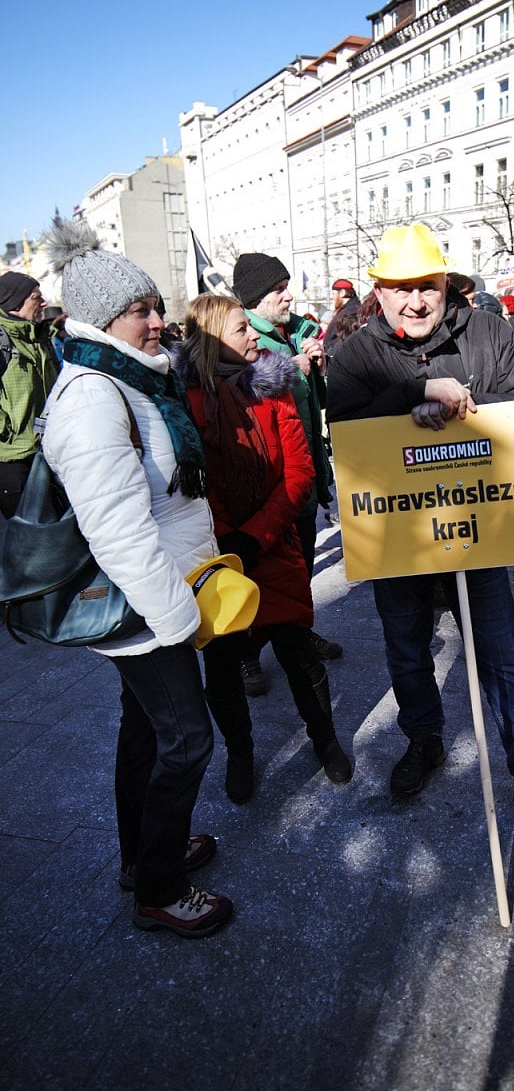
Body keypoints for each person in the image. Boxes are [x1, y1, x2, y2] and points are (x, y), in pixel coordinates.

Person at [327, 222, 514, 846]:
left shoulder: (488, 331)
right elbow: (343, 425)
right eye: (399, 289)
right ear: (379, 292)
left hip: (480, 526)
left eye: (427, 287)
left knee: (501, 656)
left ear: (446, 283)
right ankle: (424, 737)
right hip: (399, 532)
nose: (415, 301)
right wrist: (409, 395)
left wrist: (462, 404)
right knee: (407, 647)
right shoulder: (358, 353)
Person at [40, 221, 232, 939]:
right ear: (100, 320)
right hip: (147, 606)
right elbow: (116, 530)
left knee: (145, 732)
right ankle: (158, 888)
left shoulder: (124, 377)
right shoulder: (93, 397)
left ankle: (140, 854)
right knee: (189, 742)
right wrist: (176, 618)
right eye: (140, 311)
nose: (158, 322)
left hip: (154, 599)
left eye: (156, 306)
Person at [176, 294, 352, 788]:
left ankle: (326, 740)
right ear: (212, 342)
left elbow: (298, 472)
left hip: (273, 547)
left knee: (298, 653)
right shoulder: (183, 404)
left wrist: (254, 538)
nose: (254, 335)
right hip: (215, 557)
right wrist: (228, 541)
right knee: (224, 667)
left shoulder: (273, 388)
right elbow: (194, 483)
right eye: (240, 330)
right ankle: (241, 755)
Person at [232, 253, 341, 693]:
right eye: (278, 289)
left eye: (287, 285)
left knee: (301, 569)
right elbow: (239, 391)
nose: (288, 295)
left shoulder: (299, 330)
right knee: (261, 573)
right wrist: (289, 368)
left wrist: (318, 365)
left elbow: (316, 402)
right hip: (268, 482)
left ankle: (299, 634)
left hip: (306, 471)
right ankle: (246, 654)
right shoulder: (241, 337)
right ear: (256, 298)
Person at [0, 272, 59, 518]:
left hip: (49, 451)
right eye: (37, 297)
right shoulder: (2, 341)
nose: (43, 303)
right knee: (27, 537)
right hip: (13, 459)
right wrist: (6, 429)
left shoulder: (41, 338)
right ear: (15, 303)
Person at [323, 278, 361, 359]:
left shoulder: (351, 312)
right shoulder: (347, 310)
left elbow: (346, 339)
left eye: (333, 294)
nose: (332, 297)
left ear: (342, 293)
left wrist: (331, 353)